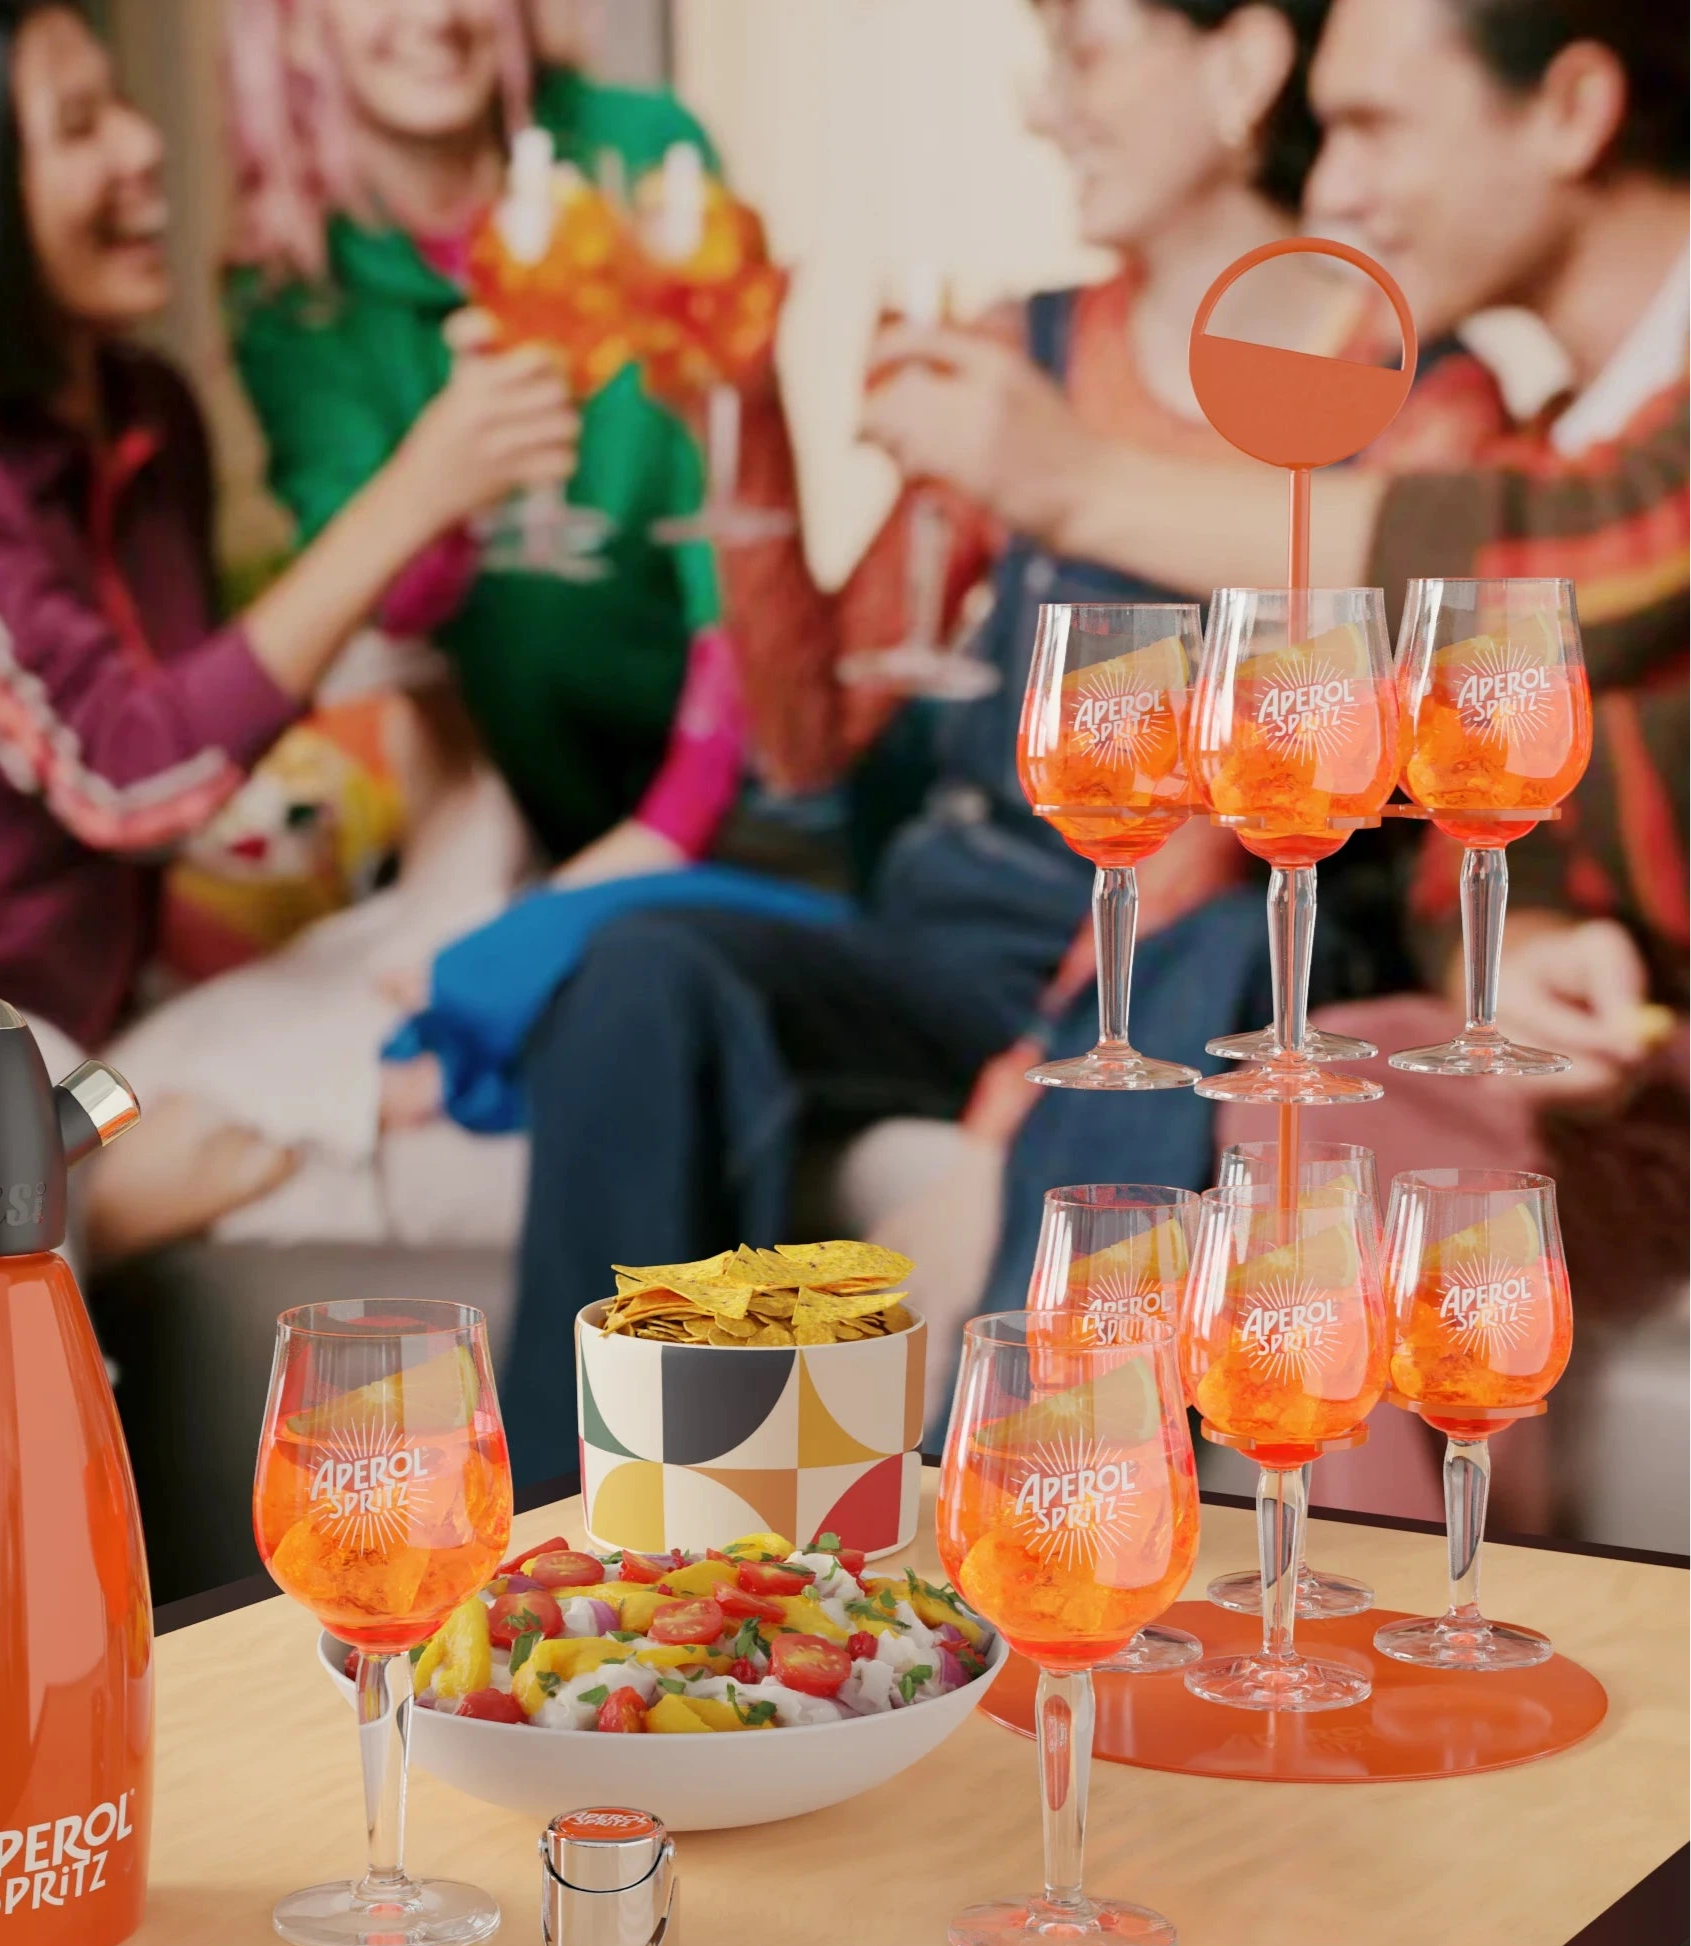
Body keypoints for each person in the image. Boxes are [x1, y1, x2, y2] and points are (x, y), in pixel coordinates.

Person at [491, 0, 1507, 1485]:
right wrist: (744, 406)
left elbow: (1261, 804)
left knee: (1230, 956)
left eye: (1086, 51)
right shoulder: (1017, 353)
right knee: (644, 964)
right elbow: (811, 741)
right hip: (961, 930)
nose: (1045, 108)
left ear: (1242, 64)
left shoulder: (1421, 401)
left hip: (1202, 948)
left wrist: (1014, 1101)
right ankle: (568, 1532)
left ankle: (1023, 1516)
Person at [0, 0, 578, 1557]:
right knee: (6, 1086)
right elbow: (124, 774)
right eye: (75, 127)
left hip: (96, 1040)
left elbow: (195, 739)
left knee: (432, 979)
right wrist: (412, 490)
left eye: (120, 105)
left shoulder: (147, 415)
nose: (142, 149)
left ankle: (29, 1212)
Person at [865, 0, 1691, 1527]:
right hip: (1640, 1076)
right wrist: (1535, 937)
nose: (1334, 187)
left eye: (1374, 125)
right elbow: (1467, 814)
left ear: (1573, 110)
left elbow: (1588, 560)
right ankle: (1315, 1623)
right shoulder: (1551, 426)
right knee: (1331, 1101)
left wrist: (1071, 480)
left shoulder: (1573, 473)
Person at [222, 0, 760, 885]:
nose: (435, 15)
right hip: (499, 824)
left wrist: (668, 831)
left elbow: (733, 531)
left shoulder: (642, 154)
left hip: (717, 802)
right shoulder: (292, 290)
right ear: (292, 26)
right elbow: (382, 610)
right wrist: (448, 485)